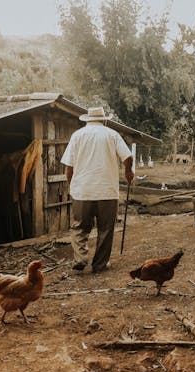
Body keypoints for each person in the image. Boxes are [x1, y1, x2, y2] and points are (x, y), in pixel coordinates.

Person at [61, 107, 134, 273]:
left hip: (82, 190)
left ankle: (80, 258)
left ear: (87, 120)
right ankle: (99, 264)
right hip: (107, 191)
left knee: (79, 227)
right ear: (105, 120)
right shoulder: (112, 135)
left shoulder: (77, 136)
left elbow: (69, 167)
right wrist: (129, 172)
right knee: (106, 228)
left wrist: (72, 186)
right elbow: (128, 157)